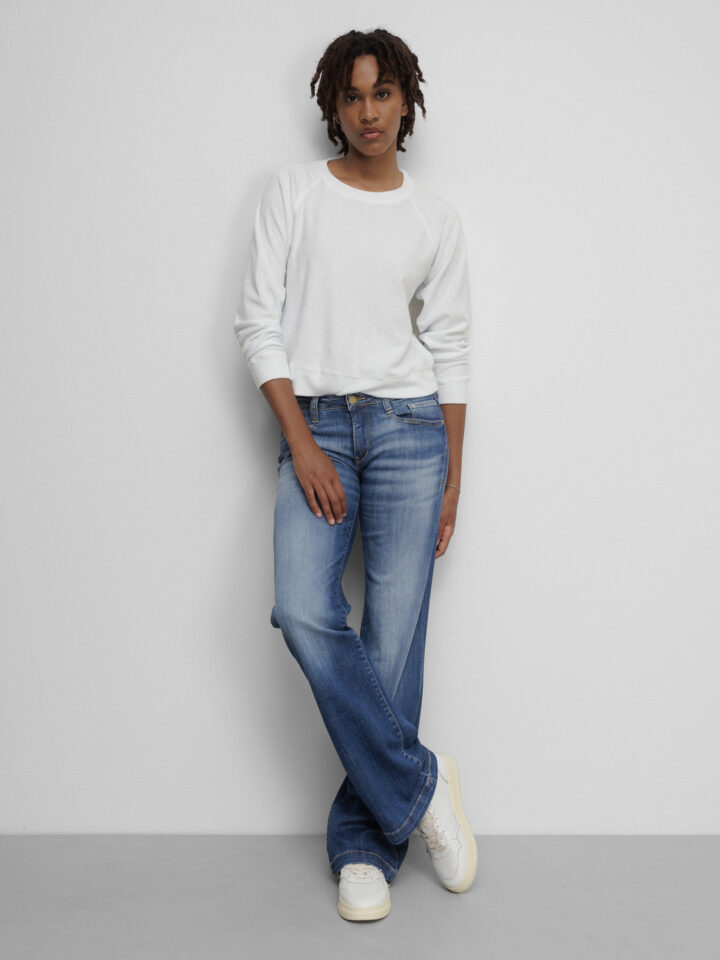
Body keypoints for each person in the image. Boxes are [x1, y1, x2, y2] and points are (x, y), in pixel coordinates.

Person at [234, 27, 477, 921]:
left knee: (394, 642)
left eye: (383, 94)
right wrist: (301, 443)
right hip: (321, 427)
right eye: (352, 95)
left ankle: (365, 847)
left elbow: (451, 348)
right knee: (303, 609)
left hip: (413, 431)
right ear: (331, 105)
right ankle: (420, 784)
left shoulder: (433, 218)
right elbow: (257, 323)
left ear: (406, 102)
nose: (368, 112)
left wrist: (454, 475)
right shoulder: (293, 193)